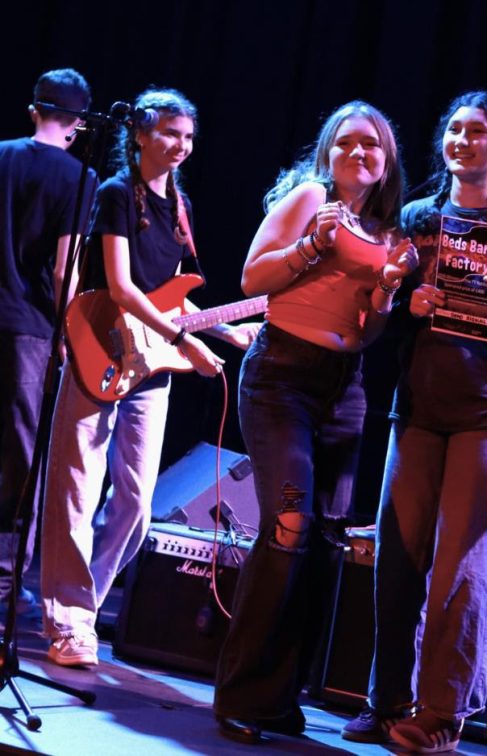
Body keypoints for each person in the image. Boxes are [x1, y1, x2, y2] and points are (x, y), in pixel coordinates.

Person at [342, 91, 487, 752]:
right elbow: (380, 316)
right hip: (419, 408)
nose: (463, 142)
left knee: (462, 571)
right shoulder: (417, 218)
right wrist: (406, 297)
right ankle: (387, 700)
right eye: (455, 130)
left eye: (478, 133)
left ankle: (443, 714)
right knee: (396, 560)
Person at [213, 100, 417, 745]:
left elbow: (370, 331)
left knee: (326, 539)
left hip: (344, 387)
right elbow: (252, 278)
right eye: (347, 142)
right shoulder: (309, 198)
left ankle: (281, 694)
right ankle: (240, 694)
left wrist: (387, 289)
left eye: (372, 145)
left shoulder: (389, 234)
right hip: (282, 377)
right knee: (289, 524)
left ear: (387, 161)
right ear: (329, 151)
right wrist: (311, 245)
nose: (359, 153)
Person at [40, 88, 253, 668]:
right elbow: (121, 287)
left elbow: (172, 298)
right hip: (100, 345)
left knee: (135, 506)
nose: (180, 145)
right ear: (139, 135)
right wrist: (185, 341)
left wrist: (222, 331)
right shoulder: (114, 193)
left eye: (188, 137)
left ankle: (81, 608)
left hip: (150, 363)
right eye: (169, 134)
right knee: (76, 490)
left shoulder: (180, 207)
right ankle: (69, 622)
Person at [0, 69, 96, 617]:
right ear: (78, 125)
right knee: (18, 462)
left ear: (33, 109)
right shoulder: (79, 178)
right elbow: (65, 270)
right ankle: (4, 591)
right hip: (29, 330)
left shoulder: (2, 155)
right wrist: (67, 333)